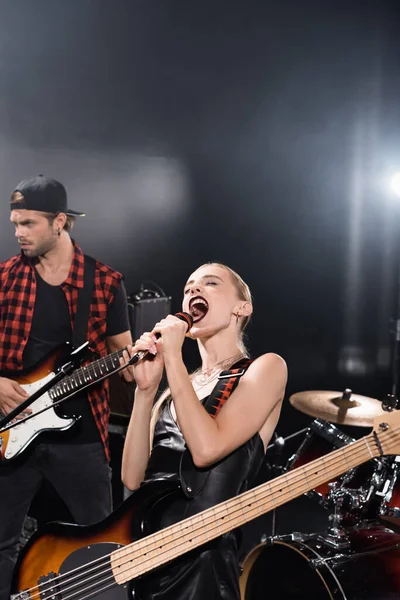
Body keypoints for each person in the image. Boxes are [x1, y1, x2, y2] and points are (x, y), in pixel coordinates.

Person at [0, 175, 134, 600]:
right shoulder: (4, 278)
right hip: (9, 432)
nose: (18, 233)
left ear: (60, 221)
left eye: (28, 224)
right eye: (15, 223)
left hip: (81, 440)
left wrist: (144, 362)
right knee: (1, 544)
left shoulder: (105, 282)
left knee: (101, 545)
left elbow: (125, 360)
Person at [121, 262, 287, 599]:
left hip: (202, 568)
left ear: (243, 307)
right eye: (188, 288)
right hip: (147, 557)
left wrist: (174, 360)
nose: (194, 291)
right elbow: (133, 479)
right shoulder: (175, 391)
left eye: (210, 283)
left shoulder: (265, 368)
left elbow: (207, 449)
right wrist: (146, 391)